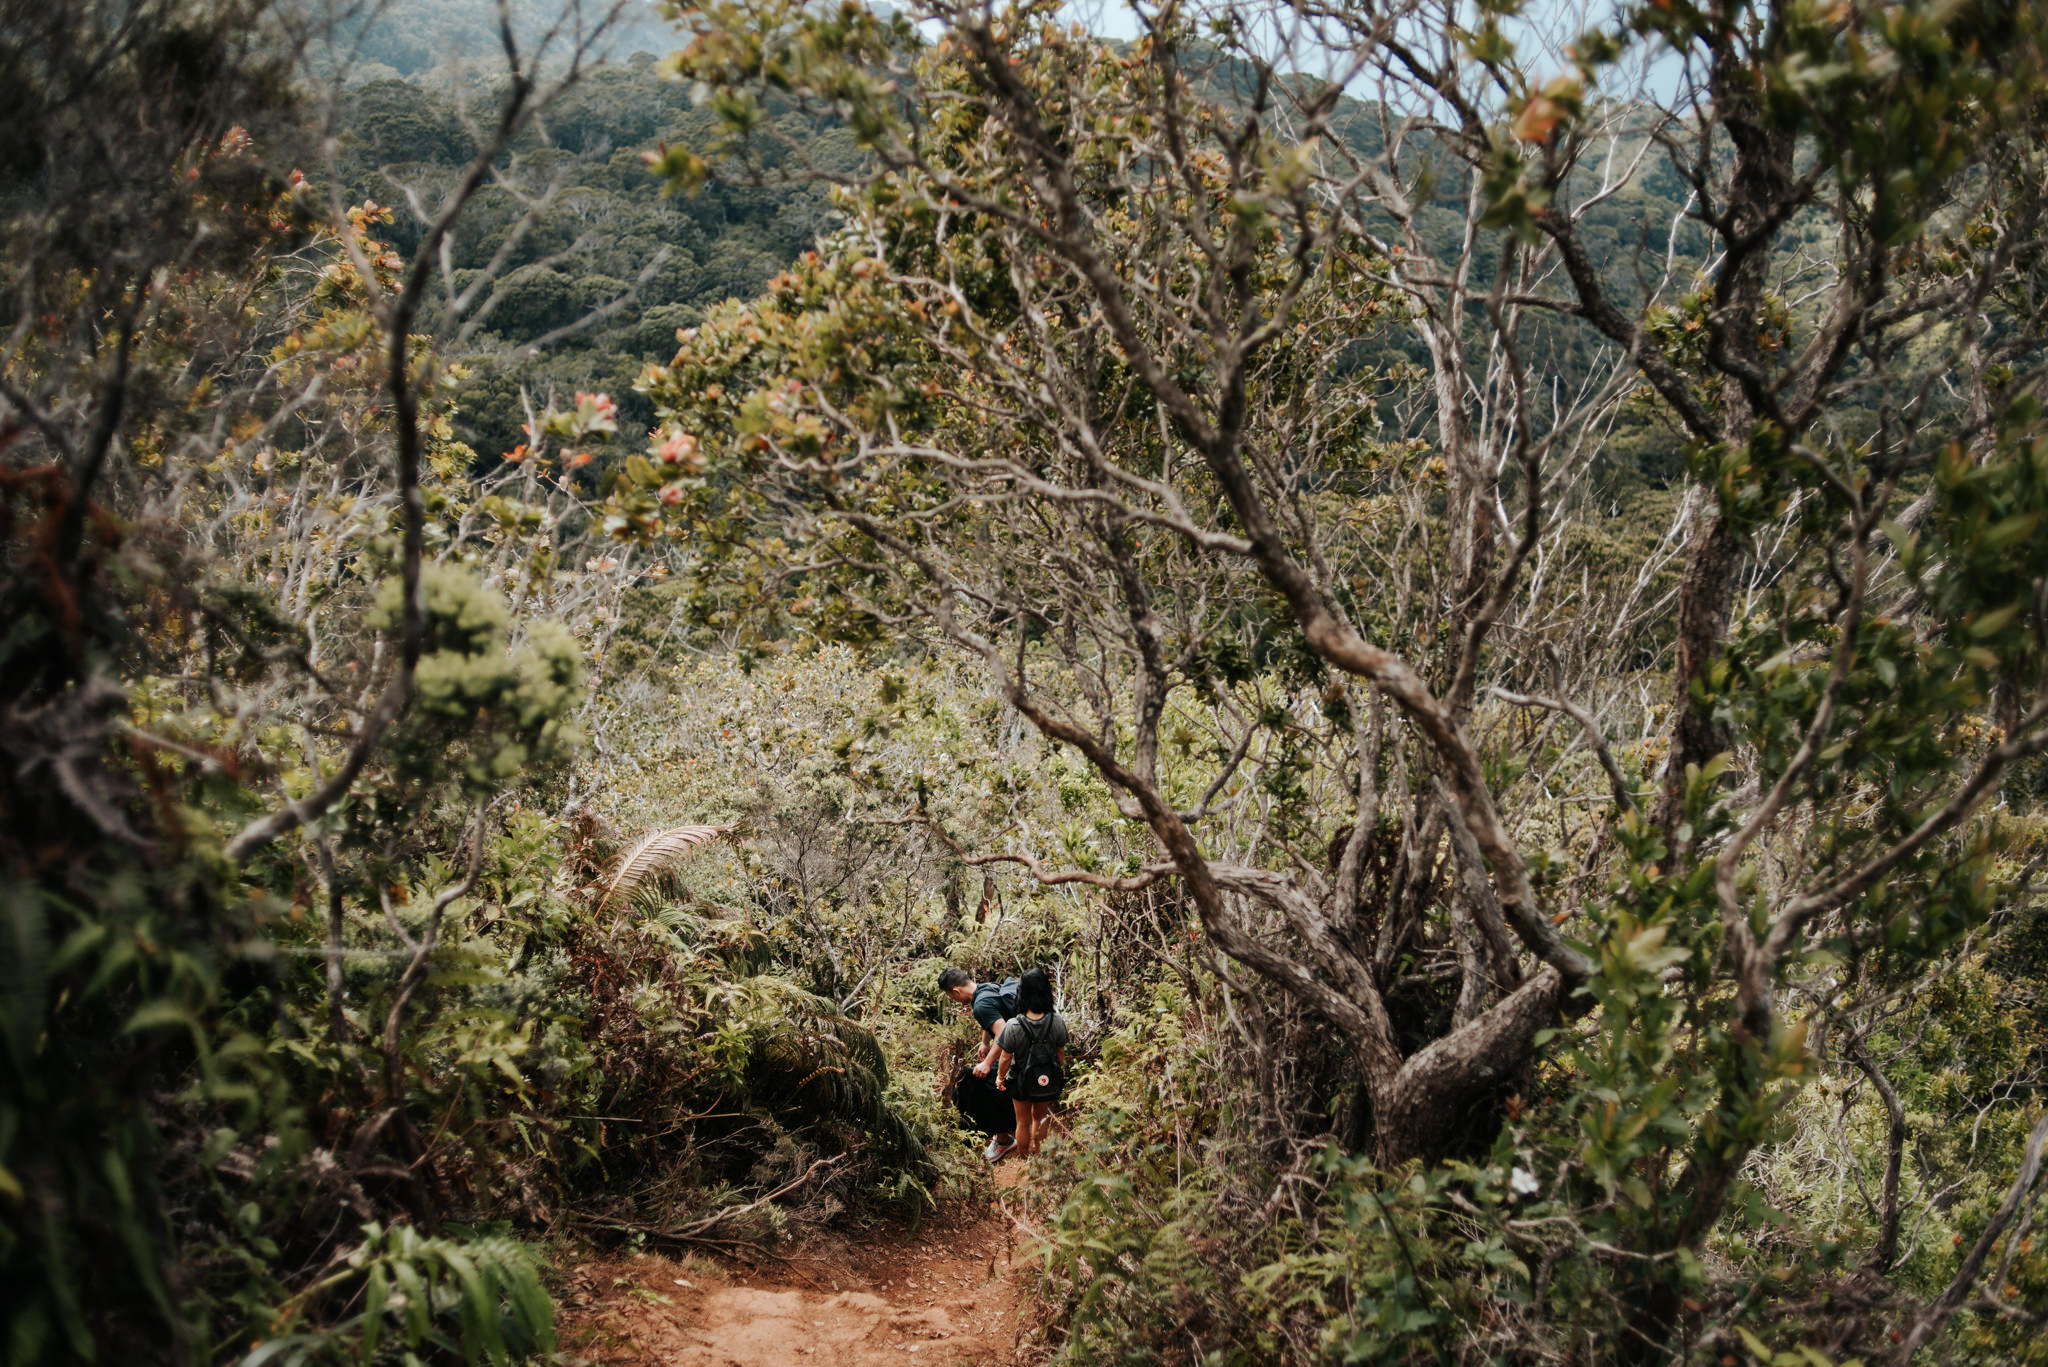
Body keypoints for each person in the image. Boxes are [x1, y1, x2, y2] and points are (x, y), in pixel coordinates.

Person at [939, 966, 1018, 1159]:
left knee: (977, 1083)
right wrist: (984, 1042)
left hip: (1016, 1055)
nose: (954, 1000)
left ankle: (1002, 1140)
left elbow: (1004, 1030)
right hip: (1022, 1046)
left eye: (951, 997)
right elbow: (994, 1017)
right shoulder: (987, 988)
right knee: (972, 1076)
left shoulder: (980, 1005)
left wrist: (987, 1062)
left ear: (955, 991)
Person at [994, 968, 1068, 1159]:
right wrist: (1056, 1074)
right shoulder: (1056, 1021)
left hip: (1019, 1081)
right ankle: (1040, 1159)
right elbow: (1060, 1052)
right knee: (1040, 1119)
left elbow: (1005, 1057)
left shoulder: (1013, 1025)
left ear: (1022, 994)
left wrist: (1000, 1077)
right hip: (1045, 1079)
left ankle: (1024, 1159)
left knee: (1022, 1121)